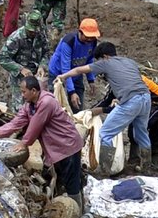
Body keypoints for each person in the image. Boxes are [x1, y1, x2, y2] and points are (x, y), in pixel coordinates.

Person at [0, 76, 84, 209]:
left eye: (24, 91)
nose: (22, 94)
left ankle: (77, 211)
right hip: (57, 147)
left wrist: (24, 143)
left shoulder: (46, 102)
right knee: (63, 178)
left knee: (72, 180)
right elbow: (16, 122)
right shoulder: (29, 106)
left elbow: (36, 125)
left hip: (67, 144)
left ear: (34, 91)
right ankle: (69, 205)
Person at [57, 42, 152, 171]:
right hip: (146, 98)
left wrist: (64, 76)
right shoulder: (129, 62)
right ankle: (147, 168)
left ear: (105, 56)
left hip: (131, 101)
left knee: (105, 133)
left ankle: (105, 170)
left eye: (99, 59)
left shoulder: (106, 62)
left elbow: (80, 70)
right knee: (141, 133)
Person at [91, 75, 158, 165]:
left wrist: (103, 110)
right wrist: (89, 111)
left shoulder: (128, 81)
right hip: (147, 101)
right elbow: (107, 100)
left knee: (141, 129)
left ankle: (149, 159)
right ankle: (138, 159)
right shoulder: (117, 82)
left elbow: (127, 108)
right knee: (143, 128)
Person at [0, 10, 49, 112]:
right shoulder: (16, 38)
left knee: (39, 106)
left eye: (35, 31)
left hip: (36, 77)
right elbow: (2, 58)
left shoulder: (41, 34)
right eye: (31, 31)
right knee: (20, 109)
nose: (33, 33)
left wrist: (42, 66)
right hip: (20, 80)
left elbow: (46, 53)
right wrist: (20, 69)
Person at [49, 18, 100, 113]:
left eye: (92, 37)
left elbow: (89, 60)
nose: (89, 39)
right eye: (87, 36)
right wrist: (71, 92)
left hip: (77, 73)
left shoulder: (93, 42)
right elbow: (65, 69)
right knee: (55, 105)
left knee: (77, 105)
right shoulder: (69, 42)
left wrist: (91, 80)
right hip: (58, 73)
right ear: (80, 32)